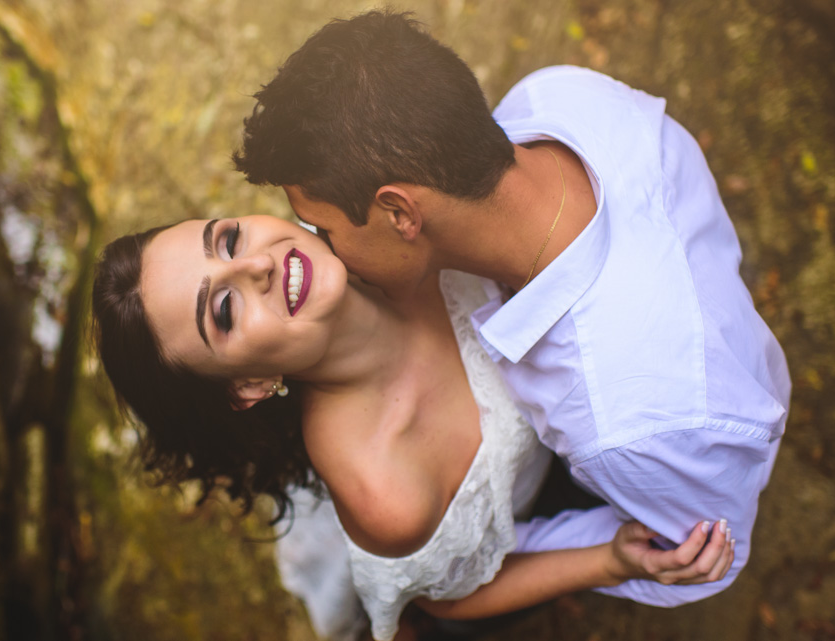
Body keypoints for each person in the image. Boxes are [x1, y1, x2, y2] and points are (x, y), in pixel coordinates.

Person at [234, 9, 789, 612]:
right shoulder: (557, 94)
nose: (320, 248)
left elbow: (702, 552)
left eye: (325, 227)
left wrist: (598, 552)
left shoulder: (629, 424)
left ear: (400, 213)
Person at [91, 215, 733, 641]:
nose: (256, 266)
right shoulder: (384, 492)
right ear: (250, 386)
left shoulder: (377, 213)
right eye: (225, 310)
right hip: (534, 508)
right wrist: (608, 561)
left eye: (229, 239)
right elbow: (451, 597)